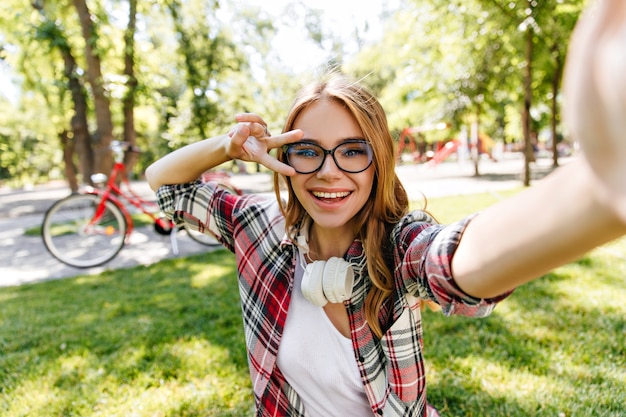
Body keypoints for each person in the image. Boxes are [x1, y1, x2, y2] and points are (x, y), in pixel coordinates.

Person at [145, 1, 626, 415]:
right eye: (308, 150)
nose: (329, 172)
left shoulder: (399, 244)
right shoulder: (259, 228)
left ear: (379, 162)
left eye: (353, 151)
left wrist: (597, 192)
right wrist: (227, 146)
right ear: (285, 158)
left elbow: (455, 261)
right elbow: (164, 184)